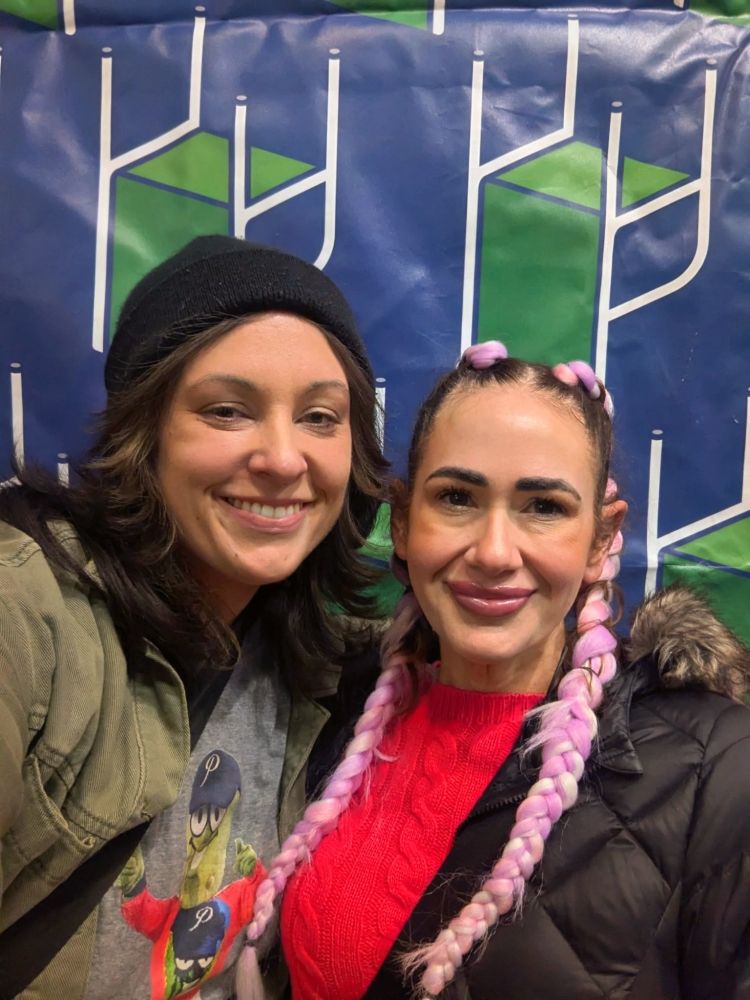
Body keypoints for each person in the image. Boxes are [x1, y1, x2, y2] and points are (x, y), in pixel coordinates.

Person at [239, 340, 750, 999]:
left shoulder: (717, 765)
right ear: (401, 525)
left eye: (544, 507)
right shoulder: (333, 701)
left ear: (600, 540)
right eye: (456, 497)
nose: (493, 552)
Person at [0, 235, 387, 1000]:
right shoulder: (31, 608)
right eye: (226, 410)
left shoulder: (328, 665)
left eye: (318, 417)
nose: (283, 457)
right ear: (146, 435)